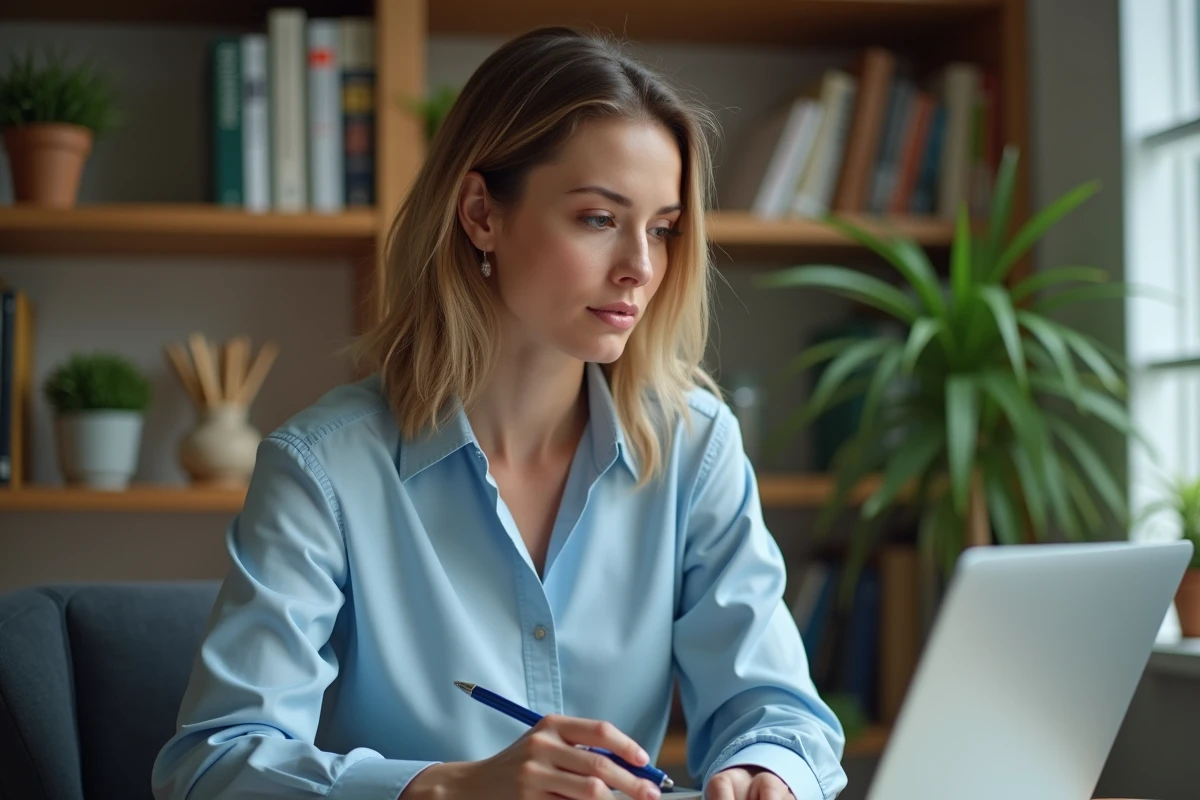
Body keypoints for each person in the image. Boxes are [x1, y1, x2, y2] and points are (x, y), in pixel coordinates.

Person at [151, 25, 847, 800]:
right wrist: (450, 789)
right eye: (597, 218)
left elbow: (780, 711)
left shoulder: (694, 446)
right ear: (482, 213)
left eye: (662, 229)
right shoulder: (326, 469)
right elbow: (210, 766)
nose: (640, 269)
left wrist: (768, 773)